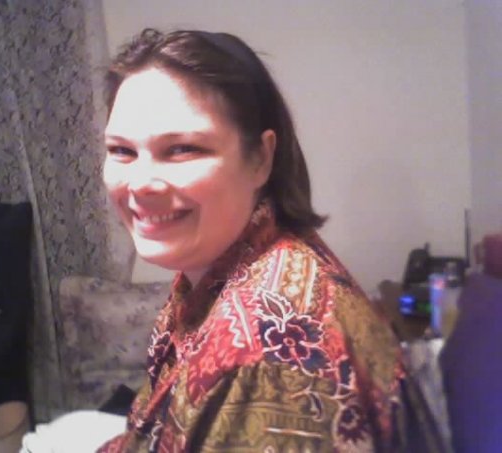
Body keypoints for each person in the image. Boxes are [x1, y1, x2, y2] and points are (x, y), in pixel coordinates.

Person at [98, 28, 407, 452]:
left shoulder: (269, 354)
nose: (139, 184)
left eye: (183, 149)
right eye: (122, 151)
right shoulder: (224, 264)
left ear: (260, 158)